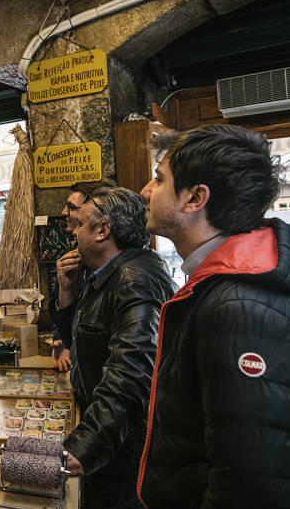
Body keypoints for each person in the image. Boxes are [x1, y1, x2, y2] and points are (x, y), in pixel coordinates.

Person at [137, 125, 290, 509]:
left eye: (159, 179)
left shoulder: (235, 306)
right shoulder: (224, 282)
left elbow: (248, 481)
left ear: (194, 198)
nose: (145, 191)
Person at [51, 186, 175, 509]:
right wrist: (66, 294)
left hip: (121, 454)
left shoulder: (134, 280)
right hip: (108, 441)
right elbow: (84, 341)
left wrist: (84, 447)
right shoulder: (105, 274)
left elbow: (130, 376)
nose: (74, 232)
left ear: (103, 231)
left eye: (80, 224)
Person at [51, 181, 107, 371]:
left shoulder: (113, 269)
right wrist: (61, 338)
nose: (63, 212)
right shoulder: (74, 256)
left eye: (71, 208)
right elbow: (72, 313)